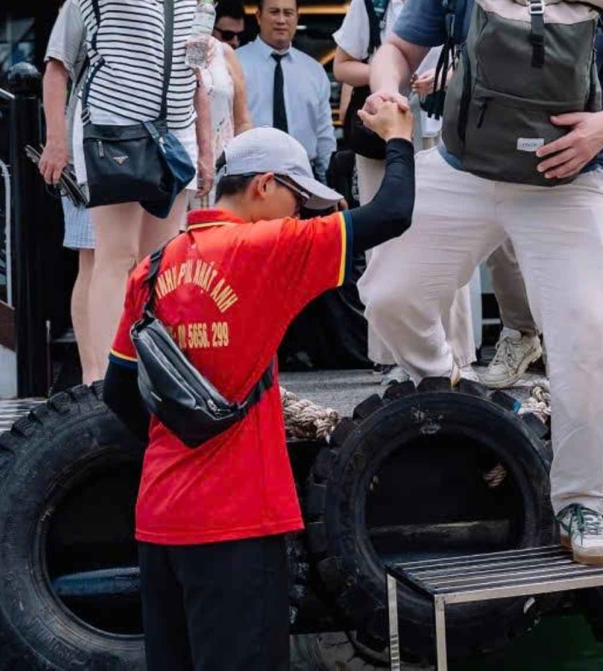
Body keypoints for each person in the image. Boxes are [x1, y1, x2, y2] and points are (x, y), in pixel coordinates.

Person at [358, 0, 603, 564]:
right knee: (389, 292)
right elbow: (400, 47)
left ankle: (581, 505)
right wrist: (383, 87)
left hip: (576, 174)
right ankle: (446, 385)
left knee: (590, 339)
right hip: (466, 167)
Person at [100, 104, 419, 671]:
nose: (300, 218)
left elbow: (118, 394)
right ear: (265, 186)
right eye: (298, 202)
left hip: (160, 522)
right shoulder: (270, 249)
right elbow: (393, 213)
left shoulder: (150, 268)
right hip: (240, 524)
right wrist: (398, 139)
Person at [69, 0, 207, 375]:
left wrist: (203, 50)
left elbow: (186, 49)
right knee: (117, 255)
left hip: (169, 133)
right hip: (115, 126)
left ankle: (148, 374)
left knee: (161, 265)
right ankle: (100, 380)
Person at [332, 0, 478, 378]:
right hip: (385, 127)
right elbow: (343, 67)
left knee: (447, 234)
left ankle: (458, 351)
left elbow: (475, 59)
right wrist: (389, 77)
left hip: (440, 125)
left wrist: (443, 77)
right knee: (381, 236)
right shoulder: (370, 2)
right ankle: (389, 355)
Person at [39, 0, 99, 382]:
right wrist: (56, 140)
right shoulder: (79, 3)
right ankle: (94, 372)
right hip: (86, 150)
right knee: (92, 259)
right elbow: (55, 71)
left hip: (145, 150)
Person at [237, 0, 335, 180]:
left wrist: (328, 185)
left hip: (303, 177)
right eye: (274, 12)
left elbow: (324, 134)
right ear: (258, 16)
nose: (281, 20)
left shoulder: (314, 71)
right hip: (248, 176)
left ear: (297, 18)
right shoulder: (236, 63)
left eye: (288, 13)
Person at [185, 0, 251, 206]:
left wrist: (245, 173)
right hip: (175, 162)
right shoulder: (158, 45)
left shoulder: (225, 53)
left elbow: (242, 120)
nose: (200, 3)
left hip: (222, 170)